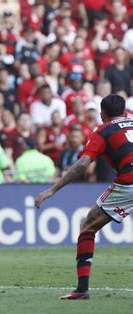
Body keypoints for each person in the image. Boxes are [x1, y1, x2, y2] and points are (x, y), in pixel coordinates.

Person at [35, 94, 132, 300]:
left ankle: (81, 289)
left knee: (87, 227)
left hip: (129, 180)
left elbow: (82, 164)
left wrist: (51, 190)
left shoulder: (103, 130)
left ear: (102, 113)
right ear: (124, 111)